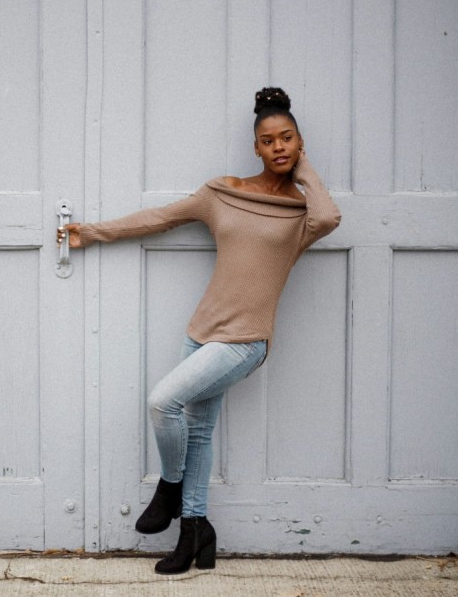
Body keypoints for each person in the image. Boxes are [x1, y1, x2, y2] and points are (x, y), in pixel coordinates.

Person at [57, 87, 341, 574]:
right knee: (200, 432)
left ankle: (169, 488)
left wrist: (305, 169)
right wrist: (92, 232)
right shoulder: (222, 192)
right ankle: (195, 533)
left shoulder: (303, 213)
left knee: (161, 401)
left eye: (287, 138)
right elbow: (160, 218)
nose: (278, 147)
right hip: (202, 331)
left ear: (299, 144)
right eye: (268, 140)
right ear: (255, 146)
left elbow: (332, 217)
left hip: (246, 341)